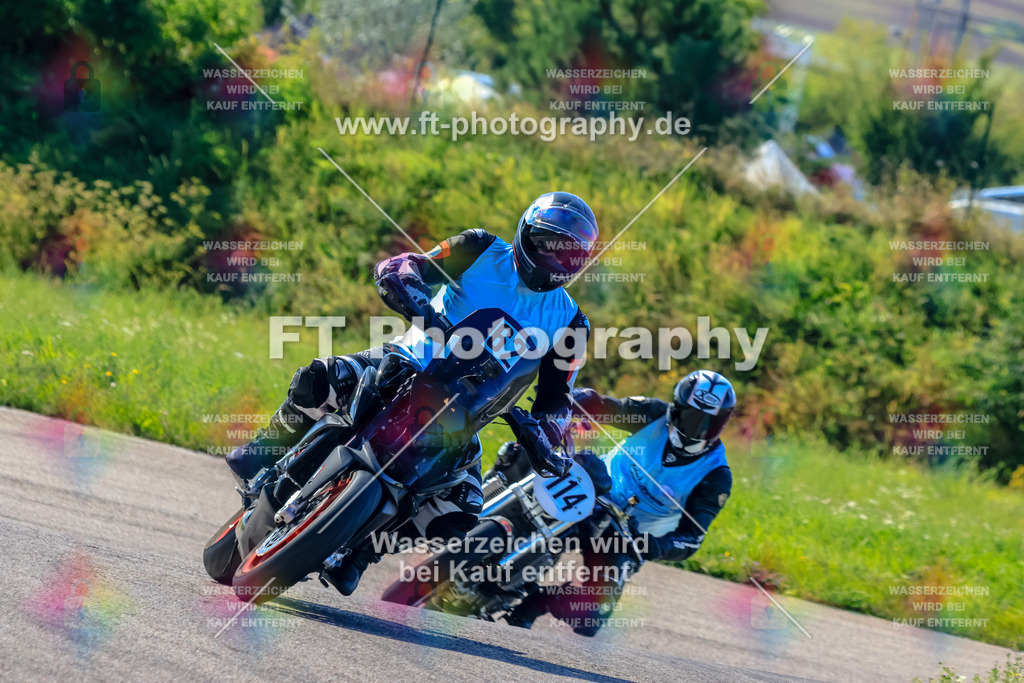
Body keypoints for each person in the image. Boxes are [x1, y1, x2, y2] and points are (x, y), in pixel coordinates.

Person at [225, 191, 598, 595]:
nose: (554, 260)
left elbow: (557, 401)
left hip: (463, 417)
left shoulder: (572, 323)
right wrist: (406, 285)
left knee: (462, 511)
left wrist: (547, 438)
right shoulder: (480, 247)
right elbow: (409, 265)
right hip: (407, 361)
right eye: (547, 245)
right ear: (526, 232)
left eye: (568, 256)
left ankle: (364, 550)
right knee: (322, 378)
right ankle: (265, 449)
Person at [498, 369, 736, 636]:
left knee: (590, 617)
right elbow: (608, 408)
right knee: (520, 455)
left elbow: (691, 538)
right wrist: (572, 401)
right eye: (693, 418)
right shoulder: (653, 413)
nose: (699, 430)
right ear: (677, 408)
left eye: (710, 423)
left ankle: (535, 603)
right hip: (593, 490)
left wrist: (653, 546)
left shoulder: (716, 476)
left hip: (627, 534)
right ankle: (478, 514)